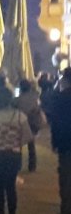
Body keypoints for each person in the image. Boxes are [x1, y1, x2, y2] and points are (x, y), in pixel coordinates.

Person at [0, 87, 32, 214]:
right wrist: (17, 143)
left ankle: (0, 211)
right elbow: (28, 136)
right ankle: (12, 211)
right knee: (11, 186)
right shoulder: (19, 116)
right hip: (14, 154)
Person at [51, 73, 71, 214]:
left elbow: (56, 124)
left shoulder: (59, 98)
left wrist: (55, 143)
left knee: (66, 182)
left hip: (65, 145)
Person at [13, 79, 42, 172]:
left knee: (19, 145)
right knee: (31, 144)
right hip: (32, 123)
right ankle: (32, 165)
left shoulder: (17, 100)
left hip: (20, 124)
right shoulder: (35, 98)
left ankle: (18, 165)